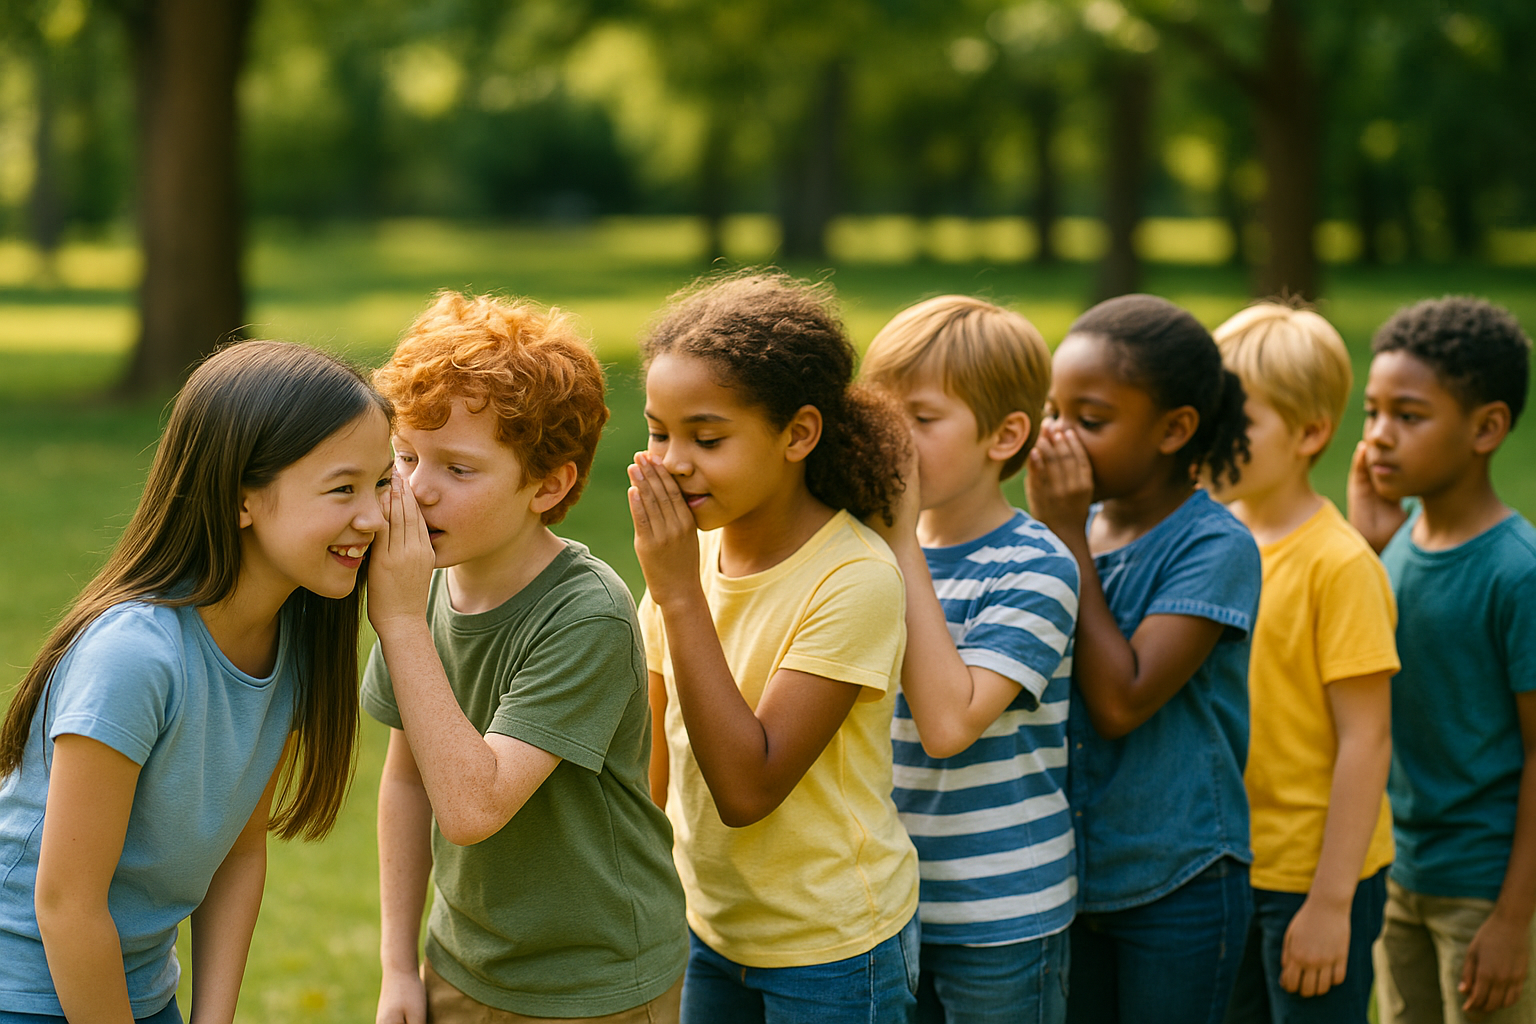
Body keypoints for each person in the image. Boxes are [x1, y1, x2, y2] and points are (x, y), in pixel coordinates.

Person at [0, 341, 390, 1023]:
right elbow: (66, 905)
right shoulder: (135, 656)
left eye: (383, 483)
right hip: (27, 990)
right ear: (242, 500)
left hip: (140, 990)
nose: (375, 517)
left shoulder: (295, 640)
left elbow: (238, 849)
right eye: (343, 488)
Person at [361, 291, 688, 1023]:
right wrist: (398, 965)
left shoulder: (585, 613)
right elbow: (408, 780)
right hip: (464, 965)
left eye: (458, 469)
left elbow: (473, 808)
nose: (416, 490)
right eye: (405, 456)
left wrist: (401, 623)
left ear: (549, 484)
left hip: (597, 985)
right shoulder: (425, 587)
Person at [626, 271, 921, 1024]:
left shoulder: (854, 579)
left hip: (833, 952)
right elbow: (652, 759)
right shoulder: (689, 557)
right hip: (707, 926)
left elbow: (747, 790)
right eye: (658, 432)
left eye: (707, 438)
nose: (673, 460)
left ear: (798, 434)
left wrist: (679, 596)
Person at [1024, 293, 1263, 1024]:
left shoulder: (1215, 546)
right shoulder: (1073, 529)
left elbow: (1121, 700)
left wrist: (1064, 535)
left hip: (1180, 881)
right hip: (1074, 877)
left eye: (1089, 420)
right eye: (1053, 411)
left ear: (1174, 429)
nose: (1056, 436)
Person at [860, 295, 1080, 1024]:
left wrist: (900, 542)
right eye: (882, 415)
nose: (892, 441)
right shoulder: (863, 551)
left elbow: (948, 725)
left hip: (1002, 913)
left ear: (1005, 435)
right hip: (885, 907)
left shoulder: (1036, 565)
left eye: (921, 419)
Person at [1205, 303, 1398, 1024]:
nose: (1212, 439)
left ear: (1309, 434)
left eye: (1238, 423)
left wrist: (1331, 903)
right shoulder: (1212, 542)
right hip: (1231, 863)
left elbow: (1366, 739)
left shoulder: (1339, 566)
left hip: (1315, 877)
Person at [1348, 296, 1536, 1024]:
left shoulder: (1516, 572)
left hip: (1482, 891)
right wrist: (1372, 549)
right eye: (1372, 412)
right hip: (1400, 873)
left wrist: (1512, 920)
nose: (1377, 436)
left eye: (1409, 416)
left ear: (1486, 428)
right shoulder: (1394, 543)